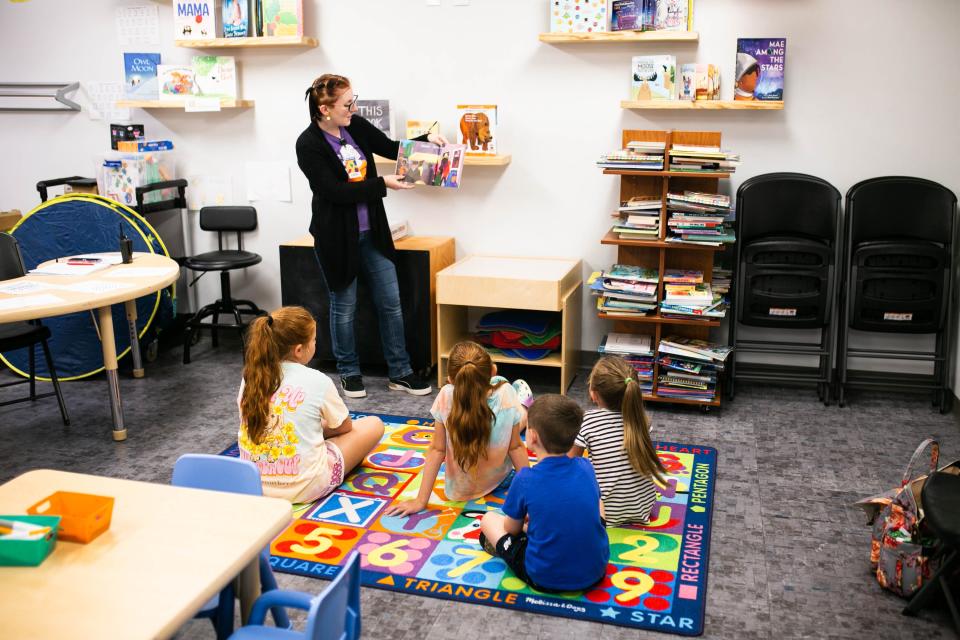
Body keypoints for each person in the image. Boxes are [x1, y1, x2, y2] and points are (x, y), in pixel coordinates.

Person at [296, 73, 447, 399]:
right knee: (344, 306)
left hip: (373, 233)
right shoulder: (308, 144)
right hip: (336, 238)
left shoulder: (356, 127)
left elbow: (392, 148)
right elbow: (333, 191)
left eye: (355, 101)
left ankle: (401, 372)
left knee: (391, 303)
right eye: (347, 104)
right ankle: (349, 373)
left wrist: (425, 140)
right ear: (324, 108)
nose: (354, 108)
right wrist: (383, 184)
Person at [237, 306, 384, 503]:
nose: (315, 344)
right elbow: (344, 426)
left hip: (254, 484)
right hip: (306, 488)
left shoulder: (250, 377)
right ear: (299, 350)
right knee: (373, 424)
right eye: (314, 340)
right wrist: (316, 430)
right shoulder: (318, 380)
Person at [479, 394, 608, 593]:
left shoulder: (525, 479)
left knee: (488, 520)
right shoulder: (586, 466)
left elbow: (510, 529)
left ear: (532, 436)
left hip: (543, 576)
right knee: (593, 503)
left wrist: (523, 526)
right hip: (596, 570)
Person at [384, 341, 529, 515]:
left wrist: (420, 500)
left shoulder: (445, 395)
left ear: (451, 379)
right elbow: (515, 447)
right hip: (500, 480)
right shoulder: (505, 392)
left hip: (458, 490)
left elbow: (437, 450)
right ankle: (524, 405)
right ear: (493, 370)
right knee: (514, 404)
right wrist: (532, 496)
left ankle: (520, 408)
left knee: (508, 410)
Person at [569, 355, 667, 526]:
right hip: (642, 507)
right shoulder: (641, 419)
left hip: (603, 512)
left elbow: (568, 462)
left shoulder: (588, 420)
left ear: (594, 394)